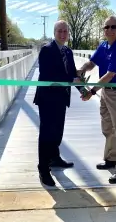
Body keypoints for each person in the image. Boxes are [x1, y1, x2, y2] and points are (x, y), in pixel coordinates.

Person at [77, 15, 116, 184]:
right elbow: (92, 63)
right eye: (106, 27)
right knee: (108, 128)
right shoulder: (103, 46)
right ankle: (111, 159)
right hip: (107, 93)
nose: (109, 30)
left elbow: (109, 75)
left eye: (113, 27)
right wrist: (80, 70)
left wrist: (91, 92)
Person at [33, 20, 86, 186]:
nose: (63, 34)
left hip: (62, 98)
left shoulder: (68, 52)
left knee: (58, 131)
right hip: (47, 98)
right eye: (59, 31)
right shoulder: (46, 50)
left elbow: (72, 74)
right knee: (47, 134)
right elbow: (47, 74)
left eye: (65, 31)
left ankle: (54, 158)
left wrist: (83, 90)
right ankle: (43, 168)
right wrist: (71, 79)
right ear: (54, 33)